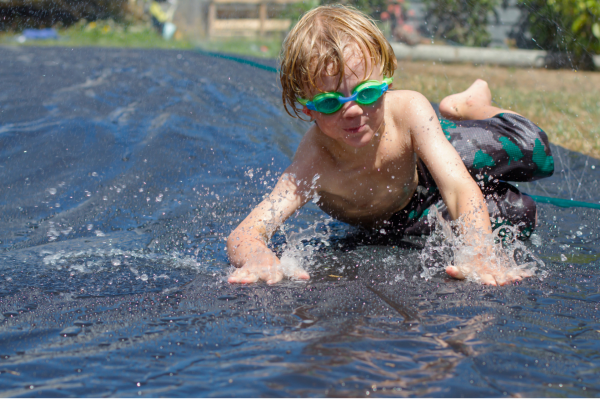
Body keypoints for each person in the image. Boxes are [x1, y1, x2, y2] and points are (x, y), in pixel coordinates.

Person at [226, 5, 554, 286]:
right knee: (521, 215)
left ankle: (468, 105)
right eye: (330, 102)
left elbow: (456, 186)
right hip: (407, 214)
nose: (353, 110)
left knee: (536, 150)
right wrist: (257, 258)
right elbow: (245, 234)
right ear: (307, 108)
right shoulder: (314, 161)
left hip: (430, 154)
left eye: (367, 93)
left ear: (387, 83)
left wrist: (479, 255)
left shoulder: (408, 111)